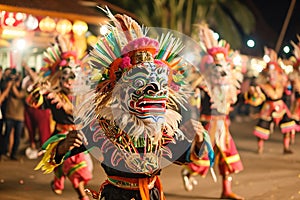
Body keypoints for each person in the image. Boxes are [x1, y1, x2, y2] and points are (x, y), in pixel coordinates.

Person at [34, 8, 214, 200]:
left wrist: (198, 140)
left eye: (161, 85)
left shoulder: (163, 131)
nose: (156, 91)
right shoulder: (103, 127)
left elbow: (181, 157)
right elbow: (59, 153)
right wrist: (63, 146)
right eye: (139, 84)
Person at [181, 24, 244, 200]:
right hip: (208, 124)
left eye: (222, 63)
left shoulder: (227, 84)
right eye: (216, 64)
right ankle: (188, 171)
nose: (220, 69)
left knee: (228, 156)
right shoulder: (202, 84)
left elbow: (231, 99)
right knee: (204, 155)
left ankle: (226, 190)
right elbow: (192, 102)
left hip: (223, 123)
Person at [27, 35, 93, 200]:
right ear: (59, 78)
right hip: (61, 135)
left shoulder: (83, 96)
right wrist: (39, 91)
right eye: (65, 77)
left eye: (72, 77)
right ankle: (81, 195)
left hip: (79, 135)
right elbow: (36, 102)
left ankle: (60, 180)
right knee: (69, 164)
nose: (68, 81)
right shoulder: (52, 96)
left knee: (78, 166)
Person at [244, 47, 297, 154]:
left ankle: (286, 147)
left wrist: (289, 87)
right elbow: (256, 98)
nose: (272, 76)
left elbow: (289, 92)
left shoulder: (283, 84)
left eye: (275, 73)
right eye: (270, 74)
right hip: (268, 107)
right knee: (262, 126)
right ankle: (260, 148)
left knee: (288, 123)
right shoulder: (262, 86)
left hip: (281, 107)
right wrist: (255, 93)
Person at [22, 63, 52, 159]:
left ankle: (45, 149)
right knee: (30, 128)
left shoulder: (42, 81)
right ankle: (33, 145)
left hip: (41, 110)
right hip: (29, 108)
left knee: (43, 130)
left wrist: (26, 67)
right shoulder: (26, 81)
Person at [2, 71, 26, 160]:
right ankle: (5, 152)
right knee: (7, 135)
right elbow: (4, 94)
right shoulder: (7, 87)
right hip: (9, 115)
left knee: (17, 136)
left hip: (19, 117)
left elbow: (18, 95)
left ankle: (14, 154)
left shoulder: (23, 90)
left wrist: (12, 86)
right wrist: (9, 86)